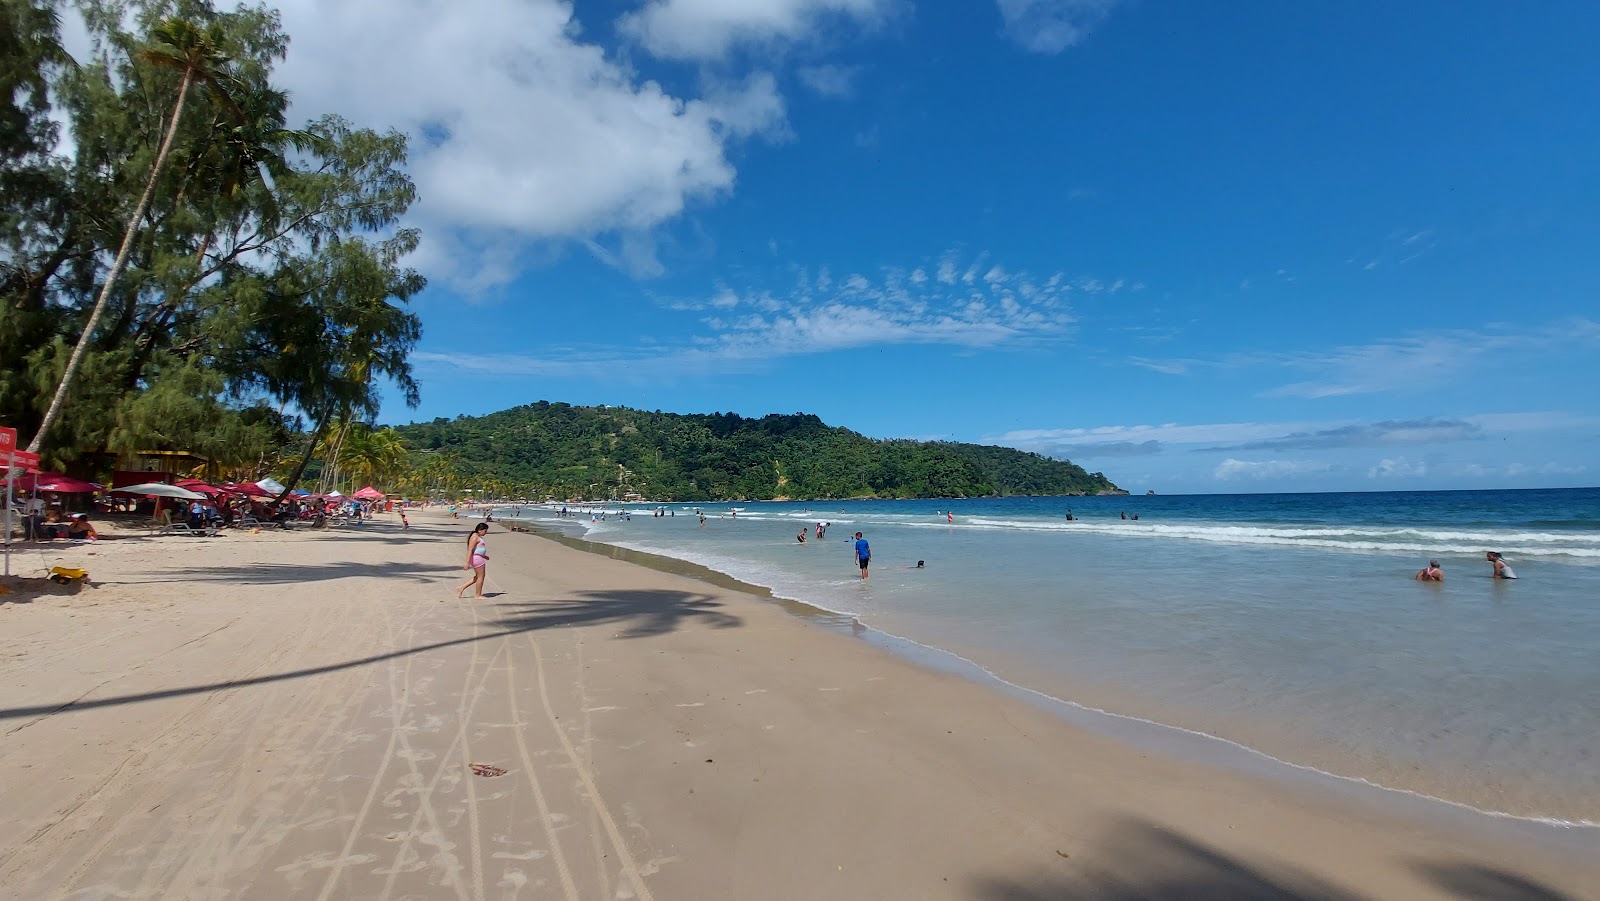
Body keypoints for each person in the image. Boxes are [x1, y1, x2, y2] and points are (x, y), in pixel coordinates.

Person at [457, 523, 491, 599]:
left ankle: (461, 588)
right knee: (481, 577)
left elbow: (477, 549)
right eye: (485, 531)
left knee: (478, 577)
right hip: (477, 559)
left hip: (479, 557)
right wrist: (467, 562)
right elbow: (470, 550)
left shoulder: (477, 536)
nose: (486, 532)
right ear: (479, 530)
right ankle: (478, 595)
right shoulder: (474, 537)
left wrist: (484, 556)